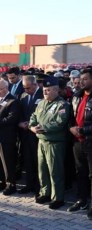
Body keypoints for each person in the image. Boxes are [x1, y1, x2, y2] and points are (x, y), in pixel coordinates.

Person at [29, 77, 70, 210]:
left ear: (56, 90)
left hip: (54, 143)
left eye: (48, 90)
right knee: (42, 170)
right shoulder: (41, 103)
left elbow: (59, 122)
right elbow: (33, 117)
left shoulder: (62, 105)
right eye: (44, 90)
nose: (45, 93)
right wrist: (32, 127)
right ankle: (45, 193)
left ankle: (58, 197)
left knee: (55, 171)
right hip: (41, 141)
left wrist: (41, 128)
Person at [68, 68, 92, 217]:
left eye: (85, 79)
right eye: (81, 79)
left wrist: (83, 130)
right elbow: (71, 116)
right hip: (77, 142)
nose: (81, 82)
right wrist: (71, 127)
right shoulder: (76, 96)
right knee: (80, 172)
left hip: (90, 141)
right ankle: (82, 200)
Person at [17, 75, 43, 195]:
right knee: (27, 160)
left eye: (28, 88)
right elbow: (20, 112)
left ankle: (39, 187)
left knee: (37, 161)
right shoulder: (23, 96)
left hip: (37, 134)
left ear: (34, 85)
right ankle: (29, 184)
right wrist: (21, 123)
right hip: (25, 134)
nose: (26, 90)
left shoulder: (43, 95)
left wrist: (32, 124)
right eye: (24, 87)